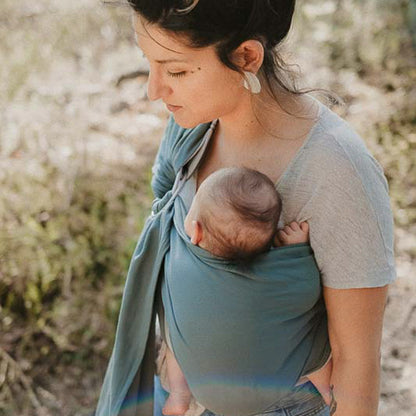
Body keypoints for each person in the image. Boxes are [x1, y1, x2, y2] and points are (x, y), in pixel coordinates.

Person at [98, 1, 396, 415]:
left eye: (177, 70)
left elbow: (355, 368)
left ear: (246, 57)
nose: (153, 89)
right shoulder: (194, 129)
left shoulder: (336, 172)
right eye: (149, 63)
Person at [162, 166, 333, 416]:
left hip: (209, 393)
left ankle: (179, 394)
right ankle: (324, 382)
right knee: (314, 318)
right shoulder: (280, 283)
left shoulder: (180, 264)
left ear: (196, 232)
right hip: (276, 392)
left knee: (172, 327)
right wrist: (296, 251)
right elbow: (308, 288)